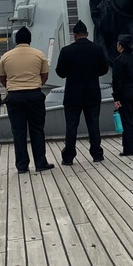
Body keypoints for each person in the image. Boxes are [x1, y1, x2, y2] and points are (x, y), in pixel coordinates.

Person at [0, 26, 54, 173]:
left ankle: (22, 166)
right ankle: (41, 163)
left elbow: (2, 78)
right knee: (37, 129)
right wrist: (35, 84)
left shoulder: (6, 57)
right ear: (30, 39)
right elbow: (45, 75)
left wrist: (11, 86)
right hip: (34, 95)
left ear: (16, 40)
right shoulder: (39, 55)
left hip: (14, 96)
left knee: (18, 131)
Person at [55, 20, 109, 165]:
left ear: (74, 35)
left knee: (71, 126)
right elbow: (104, 69)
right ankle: (97, 153)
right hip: (92, 93)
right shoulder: (97, 49)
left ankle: (69, 156)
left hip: (73, 95)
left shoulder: (66, 51)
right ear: (87, 34)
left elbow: (60, 72)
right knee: (93, 124)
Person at [111, 34, 133, 156]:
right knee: (132, 119)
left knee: (127, 120)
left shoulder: (119, 60)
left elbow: (117, 81)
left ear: (120, 46)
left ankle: (130, 149)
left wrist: (116, 98)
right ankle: (129, 145)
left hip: (125, 94)